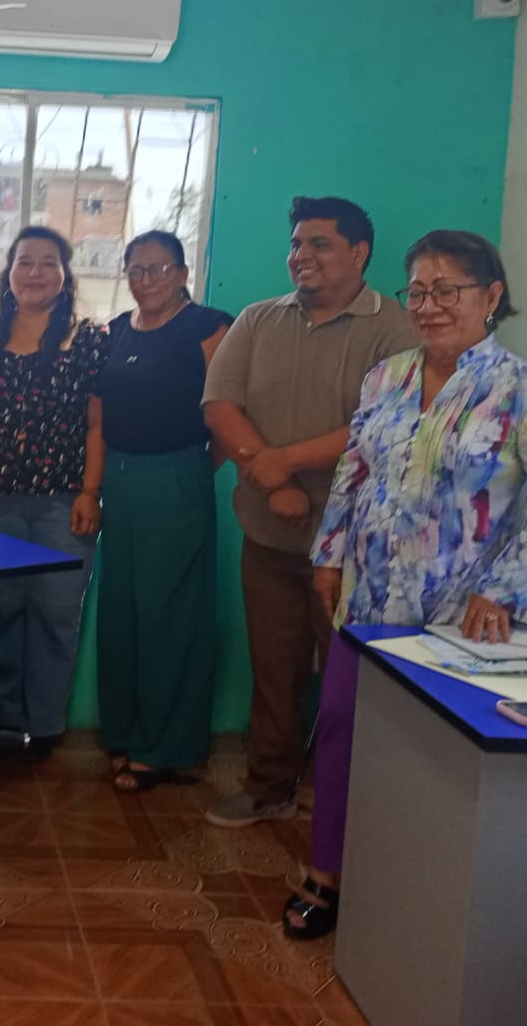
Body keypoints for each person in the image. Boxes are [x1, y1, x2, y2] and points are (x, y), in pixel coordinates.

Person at [284, 230, 527, 940]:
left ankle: (414, 889)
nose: (429, 305)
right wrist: (328, 555)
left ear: (491, 296)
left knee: (432, 754)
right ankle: (328, 873)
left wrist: (502, 589)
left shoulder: (526, 391)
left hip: (462, 615)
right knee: (343, 730)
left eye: (446, 290)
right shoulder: (385, 378)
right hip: (370, 599)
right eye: (417, 291)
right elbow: (354, 471)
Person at [201, 196, 419, 829]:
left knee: (350, 680)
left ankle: (342, 801)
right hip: (269, 533)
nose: (302, 255)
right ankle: (269, 785)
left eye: (320, 243)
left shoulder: (394, 328)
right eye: (297, 244)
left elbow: (383, 426)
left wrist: (284, 461)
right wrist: (273, 483)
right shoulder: (258, 319)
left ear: (359, 252)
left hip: (355, 546)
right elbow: (220, 405)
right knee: (274, 670)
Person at [92, 230, 233, 792]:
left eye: (159, 269)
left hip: (175, 479)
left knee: (169, 617)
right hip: (119, 482)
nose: (147, 280)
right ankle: (123, 736)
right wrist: (95, 487)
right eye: (136, 269)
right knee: (120, 614)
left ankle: (165, 748)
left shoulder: (208, 327)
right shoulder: (117, 330)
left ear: (181, 274)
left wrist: (191, 471)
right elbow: (100, 417)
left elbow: (228, 412)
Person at [0, 227, 108, 762]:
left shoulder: (90, 337)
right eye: (25, 261)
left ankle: (43, 729)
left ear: (65, 274)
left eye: (49, 262)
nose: (36, 272)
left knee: (55, 616)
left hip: (62, 501)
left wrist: (90, 491)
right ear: (9, 270)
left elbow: (99, 424)